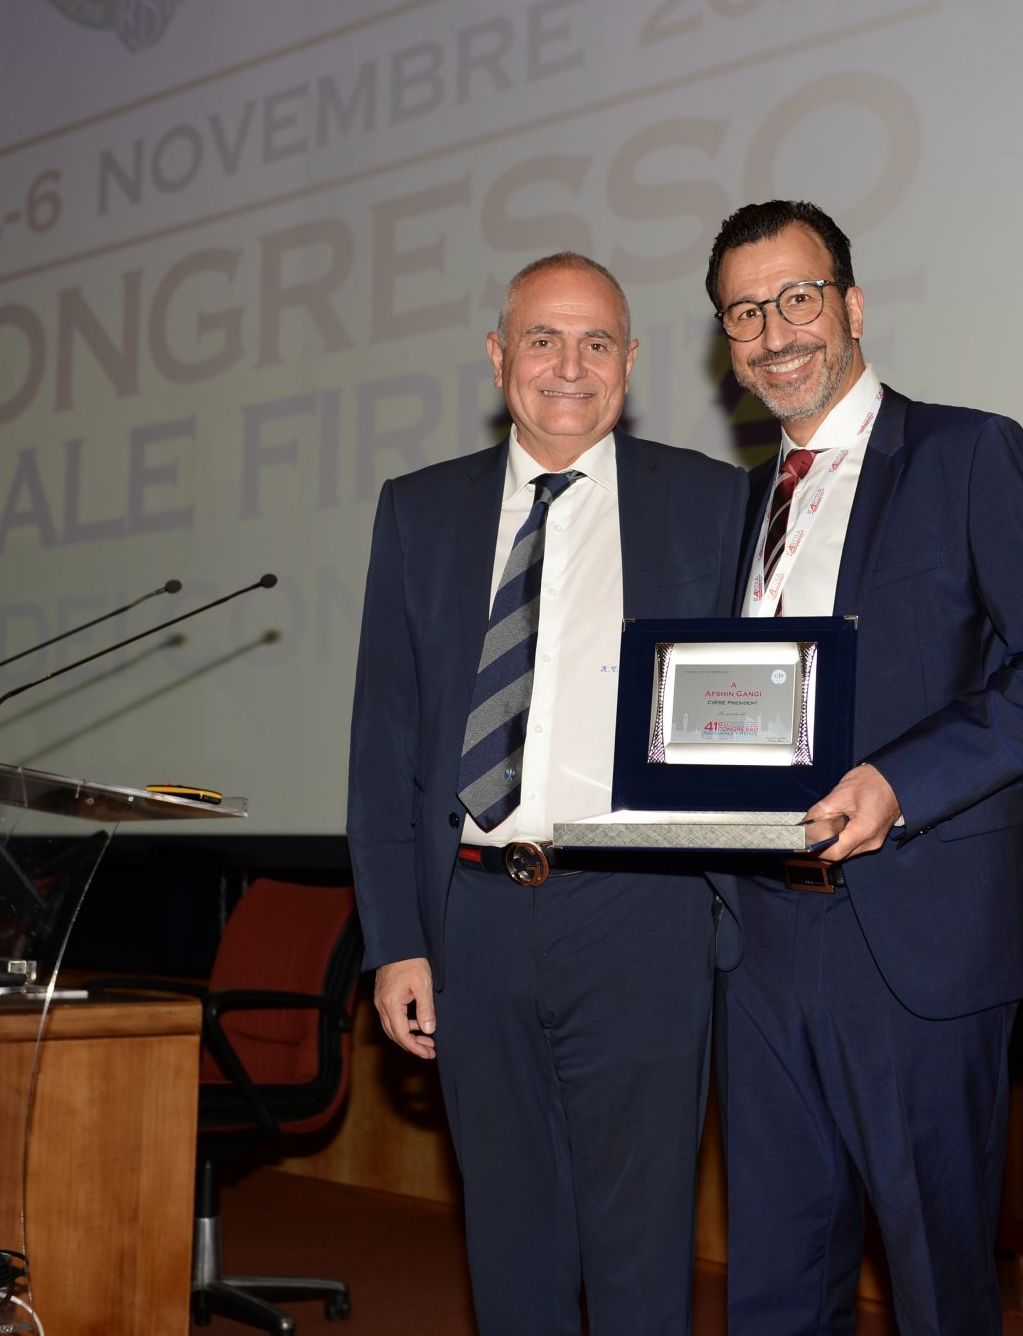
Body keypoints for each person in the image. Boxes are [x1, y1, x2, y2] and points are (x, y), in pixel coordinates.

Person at [705, 200, 1023, 1335]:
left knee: (935, 1284)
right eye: (744, 312)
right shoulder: (735, 503)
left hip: (916, 933)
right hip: (757, 937)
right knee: (775, 1283)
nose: (775, 332)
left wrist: (899, 782)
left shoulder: (964, 453)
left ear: (850, 304)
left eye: (796, 298)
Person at [346, 252, 746, 1336]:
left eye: (596, 342)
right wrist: (396, 940)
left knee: (642, 1245)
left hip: (642, 913)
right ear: (497, 357)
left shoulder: (712, 502)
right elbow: (383, 747)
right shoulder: (418, 511)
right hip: (472, 914)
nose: (570, 366)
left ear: (631, 362)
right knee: (511, 1239)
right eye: (543, 339)